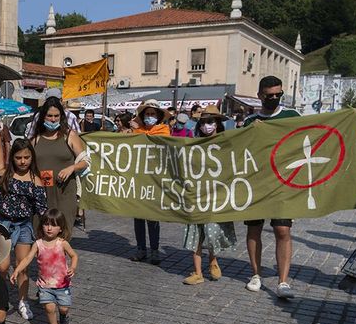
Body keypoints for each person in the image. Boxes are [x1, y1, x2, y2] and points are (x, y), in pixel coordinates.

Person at [242, 76, 301, 297]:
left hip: (283, 185)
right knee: (254, 229)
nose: (274, 98)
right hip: (256, 185)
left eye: (278, 95)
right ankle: (256, 274)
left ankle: (283, 282)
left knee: (283, 230)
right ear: (260, 96)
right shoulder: (250, 122)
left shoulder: (292, 116)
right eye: (270, 95)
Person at [0, 139, 48, 320]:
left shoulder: (35, 180)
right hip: (2, 222)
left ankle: (23, 301)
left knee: (23, 267)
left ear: (32, 158)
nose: (23, 161)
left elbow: (42, 209)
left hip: (24, 225)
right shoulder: (3, 174)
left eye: (26, 157)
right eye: (18, 157)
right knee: (2, 266)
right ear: (12, 158)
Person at [182, 108, 237, 285]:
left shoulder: (227, 142)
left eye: (211, 122)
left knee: (211, 232)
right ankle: (198, 273)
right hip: (196, 195)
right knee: (195, 234)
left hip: (215, 196)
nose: (208, 126)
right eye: (204, 122)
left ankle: (213, 261)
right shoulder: (194, 143)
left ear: (218, 124)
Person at [10, 209, 78, 324]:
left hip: (62, 283)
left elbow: (74, 255)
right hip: (44, 284)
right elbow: (27, 258)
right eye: (46, 224)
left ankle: (63, 316)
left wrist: (73, 267)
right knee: (49, 307)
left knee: (63, 308)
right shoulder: (38, 244)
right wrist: (17, 270)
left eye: (53, 225)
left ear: (60, 228)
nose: (49, 228)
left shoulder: (62, 243)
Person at [31, 100, 89, 244]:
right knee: (42, 235)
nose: (53, 119)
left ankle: (59, 265)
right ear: (43, 116)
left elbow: (85, 161)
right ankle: (44, 265)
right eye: (49, 116)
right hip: (42, 195)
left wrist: (71, 168)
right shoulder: (35, 139)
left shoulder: (70, 135)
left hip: (65, 193)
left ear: (61, 117)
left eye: (56, 116)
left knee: (62, 236)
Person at [129, 99, 170, 265]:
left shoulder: (164, 130)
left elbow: (154, 141)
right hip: (139, 179)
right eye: (147, 114)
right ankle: (140, 249)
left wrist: (136, 130)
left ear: (158, 116)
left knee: (153, 217)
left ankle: (154, 250)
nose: (150, 117)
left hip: (155, 180)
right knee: (138, 216)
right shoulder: (136, 131)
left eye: (153, 114)